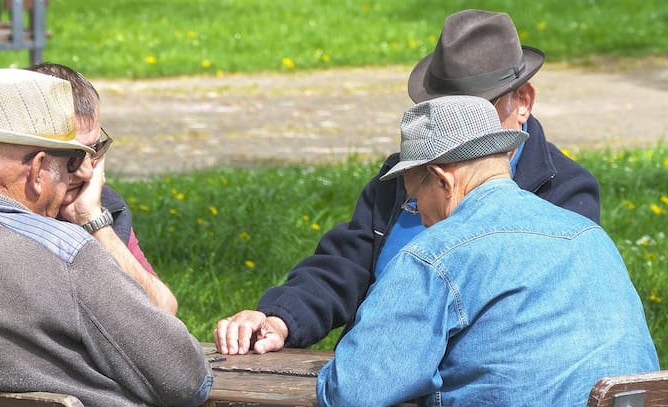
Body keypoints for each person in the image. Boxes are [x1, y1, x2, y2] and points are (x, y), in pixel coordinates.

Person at [215, 9, 601, 356]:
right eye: (446, 110)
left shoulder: (562, 192)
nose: (458, 129)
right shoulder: (408, 173)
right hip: (369, 373)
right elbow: (345, 264)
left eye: (477, 110)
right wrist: (280, 318)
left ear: (523, 101)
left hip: (469, 387)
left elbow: (540, 322)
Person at [0, 68, 212, 407]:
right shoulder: (67, 252)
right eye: (72, 161)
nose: (84, 174)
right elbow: (187, 378)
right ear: (38, 169)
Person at [315, 95, 658, 407]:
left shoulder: (435, 256)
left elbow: (355, 391)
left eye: (413, 199)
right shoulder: (590, 236)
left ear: (442, 180)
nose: (417, 213)